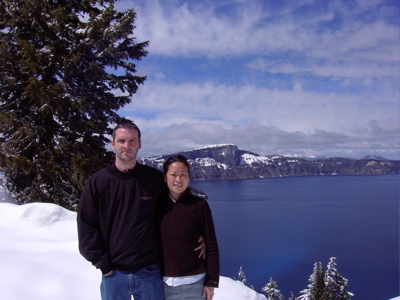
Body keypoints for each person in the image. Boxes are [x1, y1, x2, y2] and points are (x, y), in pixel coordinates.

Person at [77, 121, 204, 300]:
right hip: (114, 275)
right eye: (121, 141)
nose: (126, 146)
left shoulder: (152, 179)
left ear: (139, 144)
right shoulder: (98, 182)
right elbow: (86, 227)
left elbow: (176, 207)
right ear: (113, 144)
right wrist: (104, 266)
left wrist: (198, 232)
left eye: (132, 141)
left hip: (149, 273)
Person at [160, 155, 220, 300]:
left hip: (196, 283)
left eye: (183, 175)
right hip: (162, 283)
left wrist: (211, 281)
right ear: (165, 177)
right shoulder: (156, 205)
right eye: (173, 175)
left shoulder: (199, 206)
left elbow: (212, 245)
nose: (178, 180)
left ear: (189, 177)